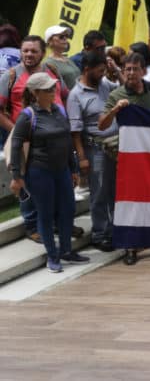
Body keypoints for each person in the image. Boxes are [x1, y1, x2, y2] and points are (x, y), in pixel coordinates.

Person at [99, 52, 150, 265]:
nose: (131, 73)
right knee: (131, 203)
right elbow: (102, 124)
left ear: (144, 71)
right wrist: (116, 110)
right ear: (122, 72)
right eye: (127, 70)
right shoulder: (116, 95)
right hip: (129, 159)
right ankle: (131, 247)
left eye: (135, 69)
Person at [6, 72, 89, 274]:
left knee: (68, 209)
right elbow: (16, 145)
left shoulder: (59, 110)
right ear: (35, 93)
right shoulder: (28, 115)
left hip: (62, 171)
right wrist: (17, 176)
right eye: (48, 89)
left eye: (53, 88)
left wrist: (73, 168)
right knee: (46, 213)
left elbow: (67, 141)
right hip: (39, 172)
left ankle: (67, 251)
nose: (53, 91)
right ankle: (53, 256)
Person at [0, 35, 68, 243]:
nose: (29, 55)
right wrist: (17, 132)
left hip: (55, 140)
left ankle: (59, 223)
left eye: (34, 51)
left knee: (55, 183)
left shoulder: (51, 72)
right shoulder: (11, 76)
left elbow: (64, 95)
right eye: (25, 51)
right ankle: (31, 225)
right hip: (27, 143)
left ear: (43, 53)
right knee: (27, 183)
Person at [67, 50, 119, 252]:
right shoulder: (75, 96)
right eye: (99, 71)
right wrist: (81, 158)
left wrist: (116, 70)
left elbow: (127, 88)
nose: (103, 74)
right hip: (94, 148)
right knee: (99, 192)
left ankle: (116, 229)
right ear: (87, 69)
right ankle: (100, 234)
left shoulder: (105, 84)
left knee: (115, 190)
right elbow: (75, 131)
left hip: (115, 145)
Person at [42, 25, 80, 89]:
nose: (65, 39)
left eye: (66, 36)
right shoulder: (48, 63)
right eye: (61, 37)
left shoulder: (68, 59)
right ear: (50, 41)